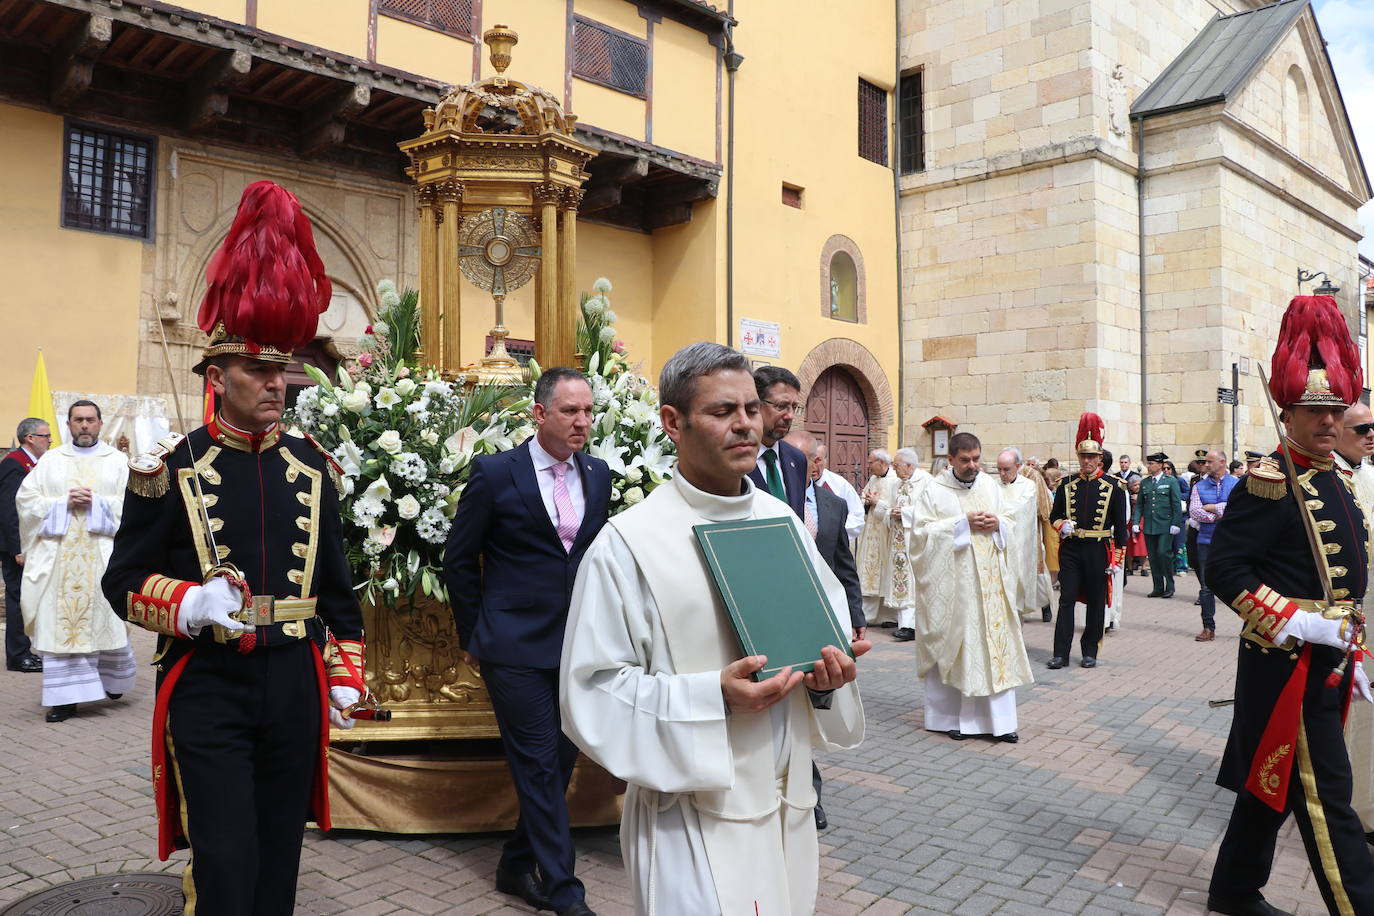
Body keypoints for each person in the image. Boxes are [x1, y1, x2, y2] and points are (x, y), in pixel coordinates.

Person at [101, 180, 369, 915]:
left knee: (280, 854)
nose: (276, 384)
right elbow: (122, 580)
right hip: (208, 681)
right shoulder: (173, 468)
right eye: (257, 370)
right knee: (225, 857)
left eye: (281, 370)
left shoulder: (314, 468)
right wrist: (187, 602)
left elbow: (339, 593)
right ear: (216, 377)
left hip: (294, 683)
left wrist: (346, 673)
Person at [560, 342, 866, 915]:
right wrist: (711, 698)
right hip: (690, 816)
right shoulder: (628, 544)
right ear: (673, 422)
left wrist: (826, 683)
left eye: (751, 409)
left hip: (786, 805)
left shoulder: (784, 525)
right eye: (723, 412)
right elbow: (590, 690)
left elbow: (816, 654)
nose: (746, 425)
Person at [1205, 294, 1374, 916]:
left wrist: (1348, 645)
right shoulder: (1269, 481)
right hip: (1288, 665)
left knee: (1268, 788)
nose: (1327, 421)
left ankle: (1232, 891)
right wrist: (1296, 620)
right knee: (1329, 797)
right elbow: (1223, 568)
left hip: (1327, 658)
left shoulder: (1338, 477)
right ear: (1289, 409)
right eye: (1313, 409)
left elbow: (1345, 581)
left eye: (1335, 410)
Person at [443, 366, 611, 916]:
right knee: (539, 763)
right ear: (539, 414)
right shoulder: (496, 473)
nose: (582, 421)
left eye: (588, 411)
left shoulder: (599, 473)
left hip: (575, 643)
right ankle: (565, 892)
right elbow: (460, 560)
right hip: (512, 646)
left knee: (560, 762)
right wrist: (474, 634)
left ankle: (515, 864)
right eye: (570, 411)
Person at [905, 432, 1031, 742]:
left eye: (977, 459)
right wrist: (962, 524)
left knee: (994, 652)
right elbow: (919, 537)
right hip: (954, 590)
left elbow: (1011, 520)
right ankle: (950, 718)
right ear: (950, 460)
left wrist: (998, 525)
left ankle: (1000, 724)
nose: (973, 465)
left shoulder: (990, 485)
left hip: (990, 591)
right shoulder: (934, 490)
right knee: (958, 649)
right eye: (965, 460)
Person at [18, 400, 133, 721]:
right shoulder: (51, 461)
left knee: (107, 622)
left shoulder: (118, 461)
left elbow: (134, 506)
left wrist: (98, 503)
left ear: (100, 423)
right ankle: (65, 701)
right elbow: (25, 501)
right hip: (59, 559)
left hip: (103, 557)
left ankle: (112, 680)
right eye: (78, 420)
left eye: (90, 420)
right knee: (59, 628)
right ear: (67, 425)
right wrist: (61, 502)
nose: (84, 425)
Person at [787, 429, 865, 832]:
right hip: (783, 615)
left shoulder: (833, 504)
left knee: (814, 708)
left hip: (824, 619)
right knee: (789, 707)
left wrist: (856, 614)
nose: (802, 468)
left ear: (818, 463)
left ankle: (810, 792)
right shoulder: (772, 500)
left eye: (809, 460)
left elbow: (843, 562)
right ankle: (803, 790)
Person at [1047, 414, 1129, 670]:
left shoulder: (1115, 486)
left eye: (1091, 457)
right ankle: (1060, 653)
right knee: (1066, 599)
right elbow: (1054, 516)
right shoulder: (1066, 484)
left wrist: (1117, 559)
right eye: (1083, 457)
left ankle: (1089, 650)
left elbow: (1120, 529)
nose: (1086, 461)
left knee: (1095, 601)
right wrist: (1063, 525)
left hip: (1098, 550)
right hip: (1071, 549)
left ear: (1100, 459)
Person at [1331, 401, 1374, 839]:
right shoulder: (1330, 479)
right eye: (1362, 428)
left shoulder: (1367, 475)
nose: (1371, 435)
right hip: (1344, 618)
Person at [1, 417, 48, 673]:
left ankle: (24, 651)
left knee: (26, 597)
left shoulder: (33, 464)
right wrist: (18, 548)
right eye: (45, 436)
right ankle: (18, 655)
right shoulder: (15, 464)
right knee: (18, 598)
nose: (49, 441)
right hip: (15, 547)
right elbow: (10, 510)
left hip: (28, 543)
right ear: (30, 438)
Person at [1188, 450, 1237, 642]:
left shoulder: (1236, 483)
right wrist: (1217, 515)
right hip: (1206, 541)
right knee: (1206, 587)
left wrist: (1213, 507)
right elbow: (1194, 511)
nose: (1206, 465)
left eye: (1209, 462)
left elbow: (1237, 508)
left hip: (1231, 541)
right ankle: (1208, 627)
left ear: (1222, 462)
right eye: (1205, 462)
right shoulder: (1199, 486)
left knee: (1239, 584)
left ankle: (1250, 625)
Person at [746, 366, 807, 518]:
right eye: (781, 406)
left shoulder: (797, 459)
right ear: (755, 405)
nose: (790, 416)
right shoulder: (734, 455)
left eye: (794, 407)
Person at [996, 447, 1049, 621]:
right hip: (998, 547)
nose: (1002, 474)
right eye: (999, 469)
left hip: (1021, 544)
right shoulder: (993, 486)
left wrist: (997, 517)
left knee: (1017, 595)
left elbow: (1022, 509)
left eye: (1006, 469)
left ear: (1018, 466)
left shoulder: (1028, 485)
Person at [885, 448, 931, 641]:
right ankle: (904, 624)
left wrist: (904, 512)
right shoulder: (896, 484)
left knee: (913, 581)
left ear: (910, 466)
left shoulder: (927, 482)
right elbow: (888, 507)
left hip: (916, 541)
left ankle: (912, 625)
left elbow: (929, 511)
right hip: (898, 542)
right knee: (901, 581)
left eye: (897, 466)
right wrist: (891, 512)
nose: (894, 470)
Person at [855, 449, 899, 627]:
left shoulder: (896, 481)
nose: (868, 465)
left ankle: (888, 616)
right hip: (871, 531)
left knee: (885, 573)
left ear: (882, 463)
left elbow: (896, 508)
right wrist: (866, 502)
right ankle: (869, 615)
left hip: (886, 534)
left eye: (871, 461)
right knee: (869, 572)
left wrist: (877, 503)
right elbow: (863, 498)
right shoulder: (873, 479)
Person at [1134, 452, 1184, 598]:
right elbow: (1140, 505)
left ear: (1160, 465)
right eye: (1148, 464)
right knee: (1153, 557)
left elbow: (1176, 504)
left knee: (1163, 553)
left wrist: (1176, 523)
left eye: (1152, 463)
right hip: (1150, 525)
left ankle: (1170, 585)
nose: (1149, 466)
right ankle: (1158, 587)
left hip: (1165, 524)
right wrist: (1136, 521)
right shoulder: (1145, 482)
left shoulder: (1171, 481)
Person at [815, 442, 864, 540]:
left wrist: (836, 533)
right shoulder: (793, 481)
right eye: (810, 459)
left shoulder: (839, 484)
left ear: (826, 461)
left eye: (818, 460)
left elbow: (857, 515)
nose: (813, 465)